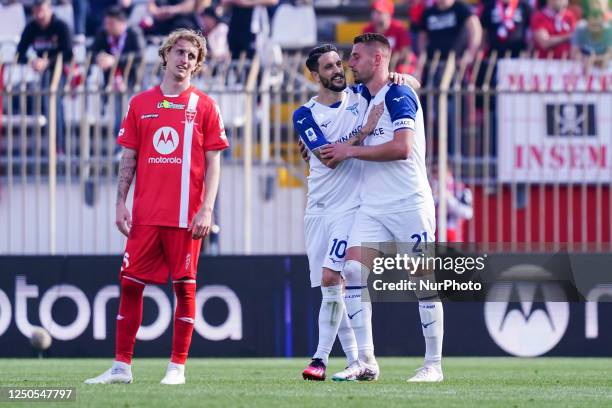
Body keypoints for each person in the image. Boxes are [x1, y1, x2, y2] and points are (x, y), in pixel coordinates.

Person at [84, 29, 229, 385]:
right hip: (146, 216)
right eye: (179, 52)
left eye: (192, 56)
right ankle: (121, 367)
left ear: (198, 66)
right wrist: (120, 203)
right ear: (165, 55)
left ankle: (176, 367)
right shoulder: (140, 103)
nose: (184, 60)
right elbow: (128, 156)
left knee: (184, 288)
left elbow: (214, 164)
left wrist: (207, 209)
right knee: (130, 285)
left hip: (185, 217)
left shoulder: (206, 106)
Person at [320, 33, 443, 382]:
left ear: (377, 60)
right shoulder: (360, 95)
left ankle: (433, 365)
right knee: (354, 273)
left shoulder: (399, 94)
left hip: (408, 203)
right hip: (372, 206)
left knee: (423, 279)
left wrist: (350, 151)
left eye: (357, 56)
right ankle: (366, 362)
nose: (350, 62)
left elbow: (402, 148)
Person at [294, 44, 419, 381]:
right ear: (315, 74)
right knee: (329, 287)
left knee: (333, 276)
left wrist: (403, 76)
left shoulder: (361, 95)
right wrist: (363, 132)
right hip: (318, 208)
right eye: (329, 66)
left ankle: (321, 359)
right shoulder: (304, 114)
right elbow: (328, 158)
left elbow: (408, 87)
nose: (338, 70)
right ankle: (355, 362)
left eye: (339, 63)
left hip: (351, 207)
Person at [17, 0, 73, 154]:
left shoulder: (61, 26)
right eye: (36, 12)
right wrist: (32, 61)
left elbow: (69, 53)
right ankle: (50, 146)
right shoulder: (31, 27)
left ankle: (59, 147)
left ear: (49, 10)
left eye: (42, 11)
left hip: (60, 72)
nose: (39, 15)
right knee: (46, 107)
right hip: (41, 75)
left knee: (54, 106)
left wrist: (48, 62)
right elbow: (19, 53)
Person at [90, 5, 145, 136]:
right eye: (106, 23)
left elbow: (139, 55)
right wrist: (100, 58)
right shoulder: (103, 34)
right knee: (118, 113)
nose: (108, 27)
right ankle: (120, 144)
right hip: (112, 79)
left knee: (134, 113)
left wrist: (115, 60)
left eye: (111, 23)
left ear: (122, 23)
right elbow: (91, 52)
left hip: (133, 79)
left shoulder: (133, 32)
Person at [362, 0, 413, 73]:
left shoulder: (398, 28)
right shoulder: (368, 29)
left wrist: (392, 59)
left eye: (379, 12)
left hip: (396, 66)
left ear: (388, 14)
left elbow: (405, 52)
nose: (374, 15)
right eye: (374, 12)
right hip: (376, 66)